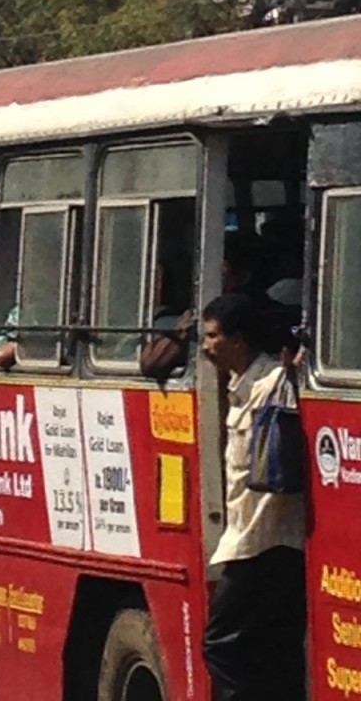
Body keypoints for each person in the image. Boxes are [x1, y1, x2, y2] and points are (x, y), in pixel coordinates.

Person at [201, 293, 306, 701]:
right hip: (252, 539)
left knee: (222, 644)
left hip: (265, 541)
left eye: (213, 336)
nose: (207, 347)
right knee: (271, 647)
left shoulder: (271, 384)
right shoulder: (239, 386)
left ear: (238, 340)